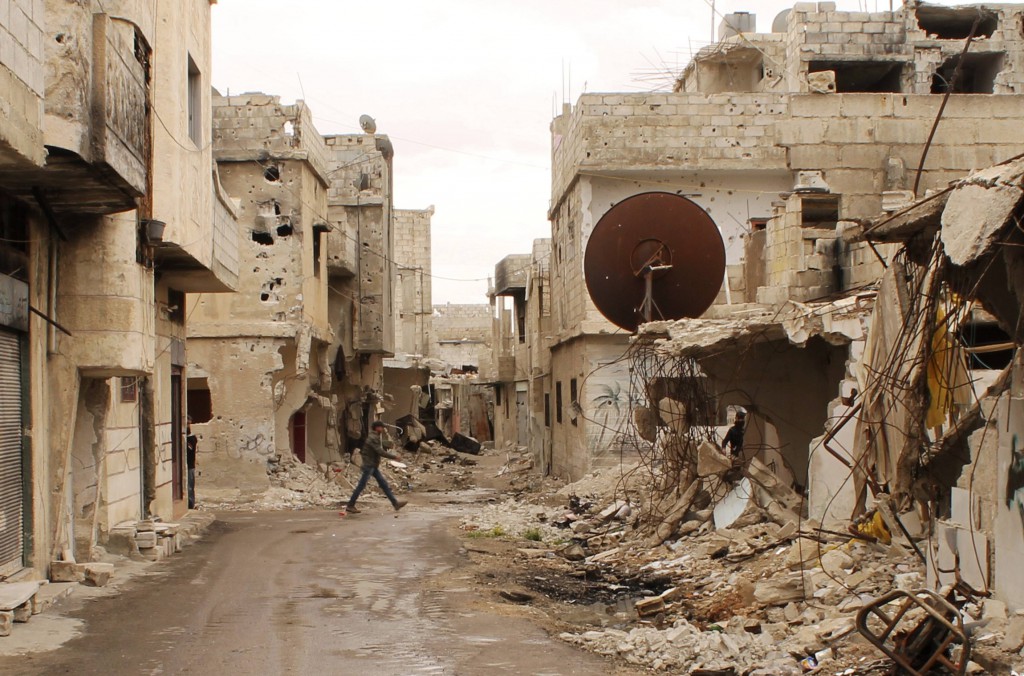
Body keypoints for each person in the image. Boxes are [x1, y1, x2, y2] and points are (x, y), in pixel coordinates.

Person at [345, 421, 408, 513]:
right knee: (361, 486)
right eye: (381, 427)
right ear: (377, 428)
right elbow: (380, 451)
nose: (383, 429)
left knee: (383, 484)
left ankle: (395, 504)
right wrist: (394, 457)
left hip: (372, 465)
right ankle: (350, 505)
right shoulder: (373, 438)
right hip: (369, 466)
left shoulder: (374, 437)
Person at [186, 417, 198, 509]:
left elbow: (189, 449)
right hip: (186, 466)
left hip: (190, 466)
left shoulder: (191, 438)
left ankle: (191, 504)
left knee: (190, 487)